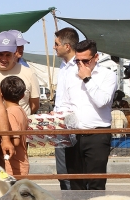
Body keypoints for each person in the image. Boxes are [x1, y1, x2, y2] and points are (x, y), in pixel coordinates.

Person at [62, 40, 117, 191]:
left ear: (96, 57)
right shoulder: (70, 75)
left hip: (98, 133)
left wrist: (87, 78)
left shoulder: (108, 75)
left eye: (85, 61)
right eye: (77, 61)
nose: (81, 65)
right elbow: (66, 103)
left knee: (96, 183)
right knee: (76, 182)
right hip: (74, 134)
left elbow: (102, 102)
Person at [0, 31, 40, 116]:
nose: (4, 59)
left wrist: (20, 117)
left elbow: (35, 104)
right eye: (0, 54)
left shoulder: (29, 73)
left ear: (14, 53)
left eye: (8, 55)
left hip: (21, 128)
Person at [53, 27, 79, 191]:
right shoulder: (63, 66)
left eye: (56, 44)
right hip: (60, 123)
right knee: (62, 170)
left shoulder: (79, 66)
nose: (54, 47)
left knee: (75, 169)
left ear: (67, 46)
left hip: (75, 124)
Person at [0, 76, 29, 175]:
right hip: (20, 162)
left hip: (12, 166)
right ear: (22, 95)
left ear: (1, 94)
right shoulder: (20, 110)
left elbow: (15, 141)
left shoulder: (10, 113)